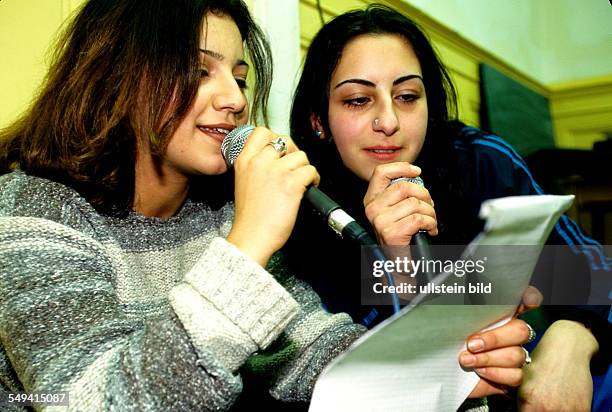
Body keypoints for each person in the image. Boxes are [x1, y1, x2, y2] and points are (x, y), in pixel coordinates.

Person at [0, 0, 535, 410]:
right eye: (197, 70)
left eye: (239, 77)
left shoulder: (483, 160)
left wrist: (451, 362)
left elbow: (310, 347)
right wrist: (251, 241)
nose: (234, 100)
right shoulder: (30, 211)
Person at [286, 4, 610, 411]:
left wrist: (574, 336)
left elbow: (595, 271)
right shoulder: (303, 206)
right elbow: (348, 381)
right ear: (318, 119)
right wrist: (398, 265)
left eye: (407, 96)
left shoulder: (481, 162)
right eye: (357, 100)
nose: (388, 121)